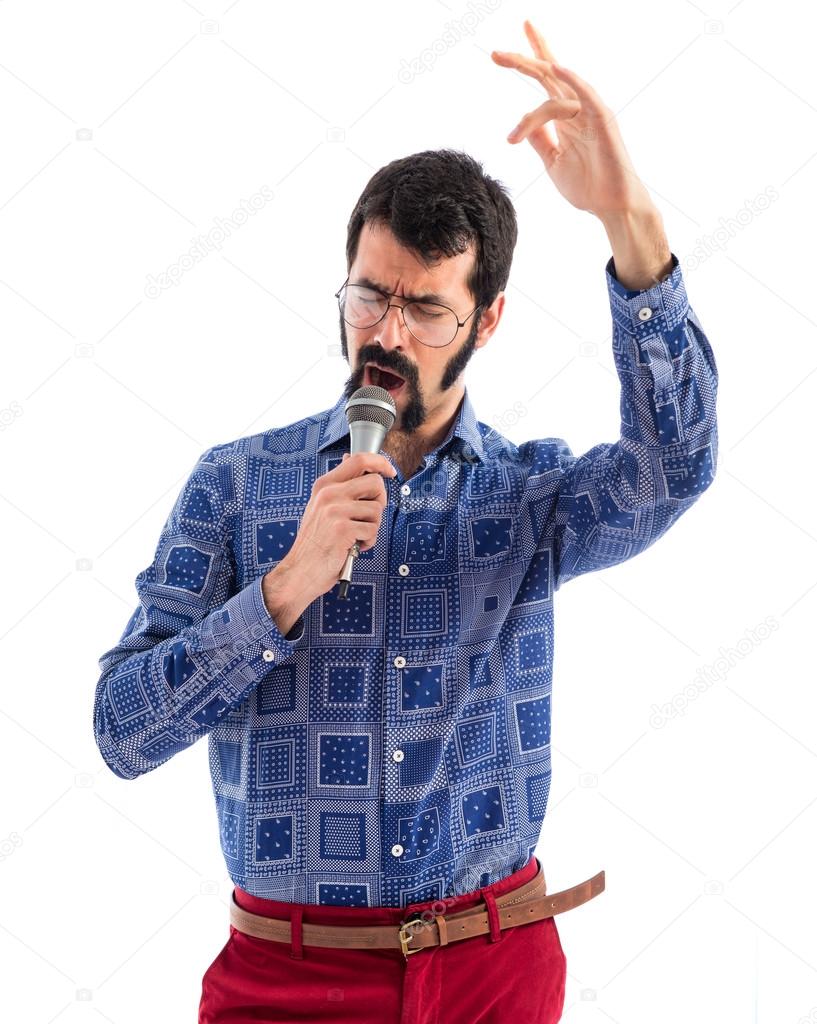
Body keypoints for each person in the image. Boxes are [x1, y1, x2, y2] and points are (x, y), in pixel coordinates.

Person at [92, 20, 719, 1024]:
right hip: (284, 980)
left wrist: (630, 222)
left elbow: (675, 465)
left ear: (486, 320)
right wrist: (283, 587)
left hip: (491, 967)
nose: (386, 333)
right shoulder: (234, 487)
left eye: (425, 308)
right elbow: (120, 732)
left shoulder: (531, 499)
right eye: (368, 295)